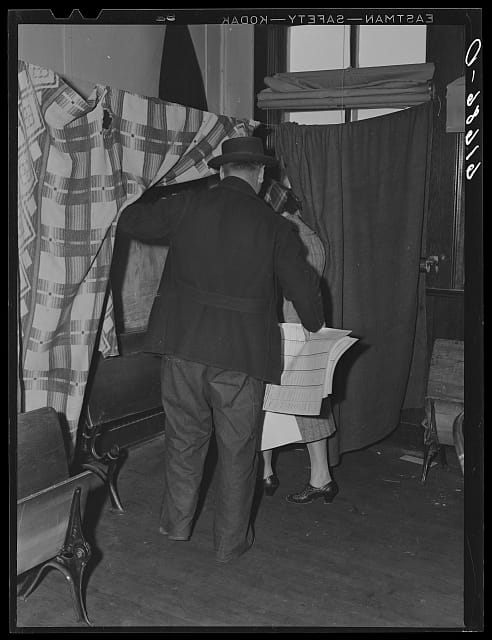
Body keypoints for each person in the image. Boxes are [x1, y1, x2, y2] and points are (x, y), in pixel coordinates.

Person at [118, 136, 324, 563]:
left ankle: (176, 526)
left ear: (220, 171)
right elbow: (304, 289)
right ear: (261, 175)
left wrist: (151, 187)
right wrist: (315, 325)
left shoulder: (189, 205)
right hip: (240, 356)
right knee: (238, 449)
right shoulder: (275, 226)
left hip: (183, 348)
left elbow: (132, 221)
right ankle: (230, 543)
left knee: (184, 439)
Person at [261, 178, 339, 505]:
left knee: (268, 400)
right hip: (309, 330)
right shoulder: (309, 233)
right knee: (308, 401)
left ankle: (272, 472)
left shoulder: (283, 234)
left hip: (287, 330)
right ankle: (309, 475)